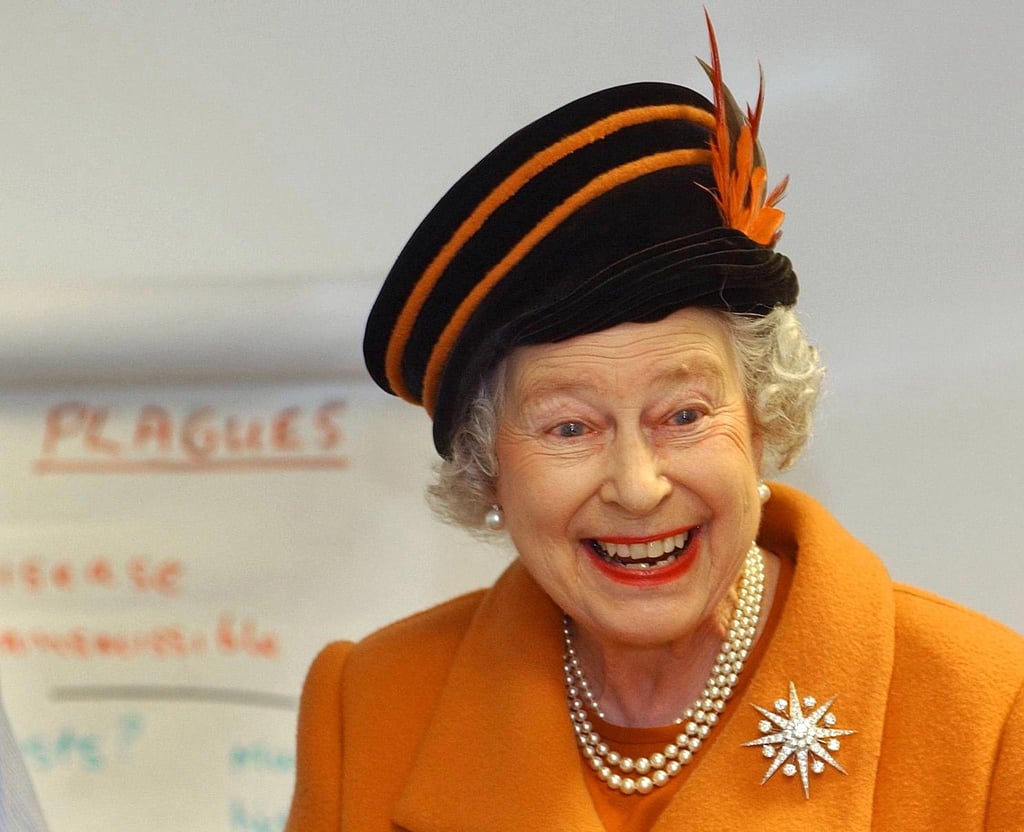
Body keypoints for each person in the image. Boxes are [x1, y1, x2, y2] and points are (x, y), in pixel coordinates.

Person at [286, 17, 1024, 831]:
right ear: (486, 469)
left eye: (682, 414)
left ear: (761, 420)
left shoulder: (991, 712)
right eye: (570, 428)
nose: (638, 488)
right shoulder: (371, 707)